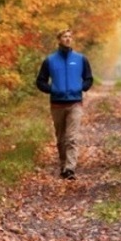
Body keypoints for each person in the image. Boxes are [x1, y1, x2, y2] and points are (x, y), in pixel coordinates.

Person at [35, 29, 93, 180]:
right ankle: (63, 165)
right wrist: (52, 89)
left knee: (72, 138)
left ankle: (70, 168)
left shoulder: (80, 59)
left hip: (75, 103)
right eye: (64, 37)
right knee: (61, 139)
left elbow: (88, 78)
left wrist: (81, 87)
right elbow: (40, 81)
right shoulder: (50, 60)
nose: (68, 39)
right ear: (59, 40)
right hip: (57, 104)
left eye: (70, 37)